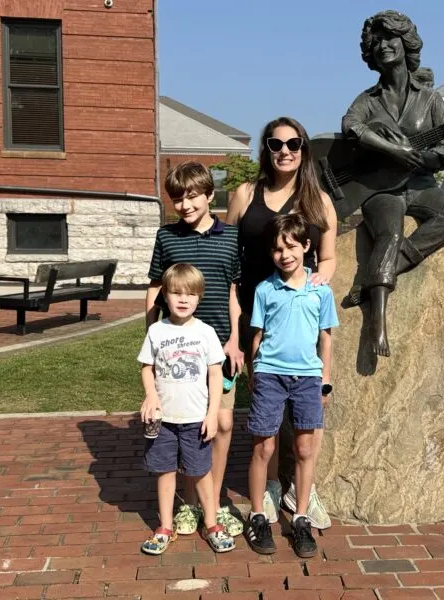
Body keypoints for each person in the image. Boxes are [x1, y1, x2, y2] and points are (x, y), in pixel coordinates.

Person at [226, 116, 338, 529]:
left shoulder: (319, 201)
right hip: (255, 315)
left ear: (304, 149)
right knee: (264, 405)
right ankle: (271, 485)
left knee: (307, 405)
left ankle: (302, 489)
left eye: (294, 143)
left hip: (298, 319)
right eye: (276, 144)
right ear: (266, 150)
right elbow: (228, 254)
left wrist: (319, 279)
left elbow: (327, 257)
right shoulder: (243, 194)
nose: (285, 150)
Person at [341, 10, 444, 357]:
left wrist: (420, 159)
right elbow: (351, 126)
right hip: (381, 189)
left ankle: (375, 277)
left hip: (422, 184)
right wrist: (394, 150)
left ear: (405, 43)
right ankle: (377, 325)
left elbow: (443, 153)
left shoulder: (430, 99)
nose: (383, 46)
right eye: (376, 41)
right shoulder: (368, 100)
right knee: (390, 232)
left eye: (390, 38)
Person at [145, 162, 246, 538]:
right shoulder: (166, 237)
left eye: (191, 196)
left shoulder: (231, 237)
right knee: (185, 425)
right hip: (176, 351)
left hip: (219, 347)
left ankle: (213, 500)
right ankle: (188, 504)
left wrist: (235, 339)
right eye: (177, 199)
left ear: (208, 195)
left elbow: (235, 292)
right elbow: (155, 289)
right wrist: (152, 340)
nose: (184, 205)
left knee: (221, 422)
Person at [244, 214, 338, 558]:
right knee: (263, 448)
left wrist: (324, 380)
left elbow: (325, 338)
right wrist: (255, 371)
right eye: (278, 249)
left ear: (306, 247)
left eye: (291, 247)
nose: (285, 254)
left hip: (308, 379)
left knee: (303, 449)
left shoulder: (319, 291)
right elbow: (257, 335)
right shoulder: (265, 290)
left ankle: (300, 518)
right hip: (269, 374)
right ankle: (257, 516)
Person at [138, 264, 236, 555]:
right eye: (176, 293)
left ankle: (211, 522)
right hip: (164, 420)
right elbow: (147, 368)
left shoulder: (205, 333)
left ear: (199, 297)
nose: (183, 299)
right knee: (165, 471)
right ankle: (165, 526)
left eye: (190, 294)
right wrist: (151, 397)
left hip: (196, 419)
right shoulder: (156, 331)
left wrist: (212, 413)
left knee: (201, 471)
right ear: (165, 296)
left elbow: (216, 374)